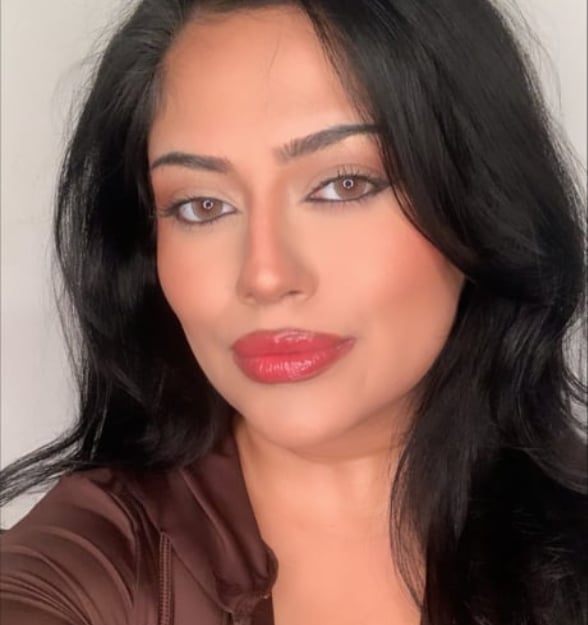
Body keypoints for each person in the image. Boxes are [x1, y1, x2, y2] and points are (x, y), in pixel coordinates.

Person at [1, 0, 586, 623]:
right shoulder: (88, 566)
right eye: (202, 205)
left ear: (479, 205)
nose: (265, 276)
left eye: (343, 185)